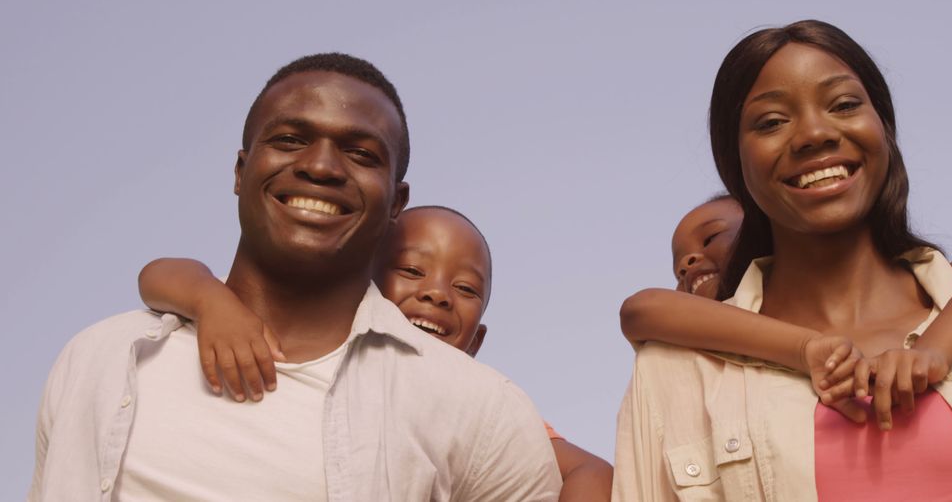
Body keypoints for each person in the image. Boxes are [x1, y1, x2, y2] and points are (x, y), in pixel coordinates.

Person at [30, 53, 561, 501]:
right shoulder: (99, 358)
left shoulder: (482, 410)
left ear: (397, 201)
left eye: (360, 153)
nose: (323, 167)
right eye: (289, 140)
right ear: (241, 172)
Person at [613, 21, 952, 501]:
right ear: (736, 165)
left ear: (884, 128)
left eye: (844, 105)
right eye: (771, 122)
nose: (814, 133)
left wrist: (933, 349)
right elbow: (641, 309)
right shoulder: (674, 371)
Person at [137, 205, 614, 501]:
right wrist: (210, 300)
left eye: (465, 287)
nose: (437, 294)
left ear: (477, 343)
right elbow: (159, 273)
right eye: (411, 270)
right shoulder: (278, 335)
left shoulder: (482, 411)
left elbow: (590, 470)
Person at [622, 194, 952, 425]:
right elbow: (640, 308)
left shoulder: (923, 296)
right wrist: (806, 348)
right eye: (679, 263)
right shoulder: (708, 354)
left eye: (709, 236)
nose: (688, 261)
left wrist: (933, 349)